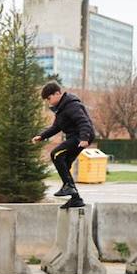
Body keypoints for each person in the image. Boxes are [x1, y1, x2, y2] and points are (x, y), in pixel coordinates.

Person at [32, 80, 95, 209]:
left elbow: (83, 122)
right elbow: (56, 127)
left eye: (49, 98)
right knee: (64, 164)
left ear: (57, 93)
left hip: (80, 137)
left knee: (56, 154)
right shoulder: (61, 109)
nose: (48, 102)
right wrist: (42, 136)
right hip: (75, 137)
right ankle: (76, 198)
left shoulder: (72, 105)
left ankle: (69, 186)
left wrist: (84, 138)